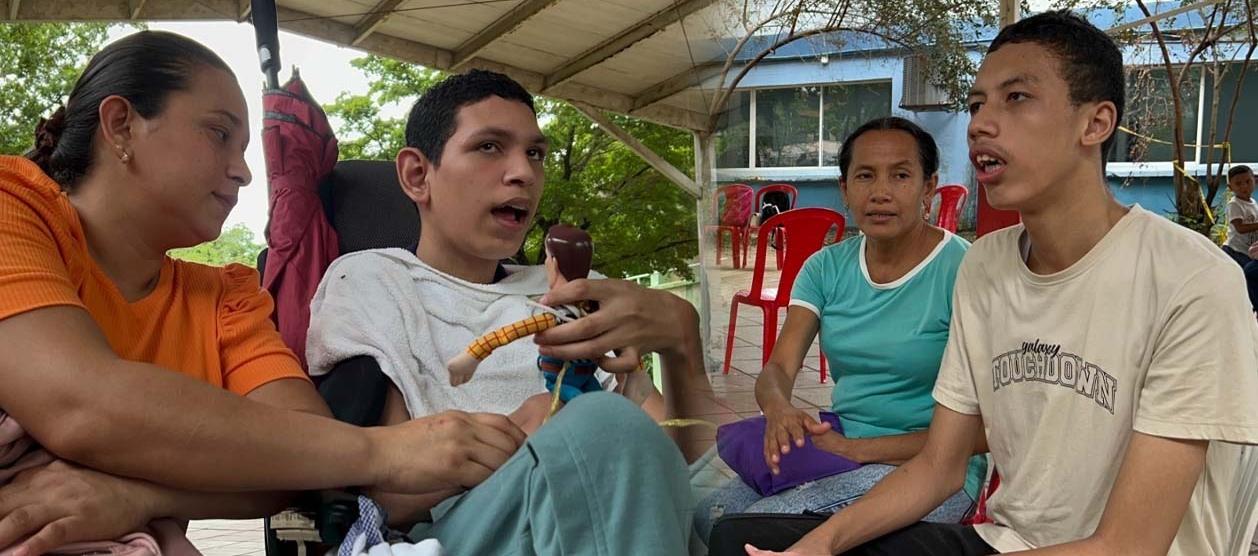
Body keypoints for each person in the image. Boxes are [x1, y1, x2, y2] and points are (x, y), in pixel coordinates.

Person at [0, 31, 694, 556]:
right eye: (218, 135)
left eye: (536, 154)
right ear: (121, 126)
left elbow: (302, 453)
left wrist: (682, 339)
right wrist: (387, 453)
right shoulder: (13, 207)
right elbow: (81, 403)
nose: (243, 173)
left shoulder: (226, 296)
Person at [722, 10, 1258, 556]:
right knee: (737, 537)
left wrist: (858, 458)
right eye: (977, 104)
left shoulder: (1191, 279)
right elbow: (939, 467)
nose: (980, 124)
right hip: (1004, 541)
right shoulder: (987, 264)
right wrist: (817, 549)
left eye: (1016, 98)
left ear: (1094, 124)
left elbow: (1129, 545)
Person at [304, 69, 717, 541]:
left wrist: (682, 346)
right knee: (598, 418)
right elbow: (384, 494)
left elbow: (689, 465)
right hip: (455, 532)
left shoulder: (571, 292)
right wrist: (543, 433)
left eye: (535, 153)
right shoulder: (374, 279)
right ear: (418, 175)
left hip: (620, 522)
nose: (524, 172)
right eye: (489, 146)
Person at [693, 117, 985, 543]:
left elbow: (987, 431)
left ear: (928, 187)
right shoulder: (826, 267)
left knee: (747, 533)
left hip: (935, 466)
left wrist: (859, 450)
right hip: (839, 445)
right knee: (709, 515)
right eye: (865, 175)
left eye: (901, 175)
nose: (881, 192)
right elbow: (778, 368)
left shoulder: (965, 269)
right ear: (845, 189)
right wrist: (778, 409)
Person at [1221, 164, 1258, 312]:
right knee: (1248, 276)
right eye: (1238, 184)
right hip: (1236, 250)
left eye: (1248, 182)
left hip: (1249, 250)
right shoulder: (1234, 205)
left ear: (1254, 181)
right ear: (1231, 188)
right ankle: (1250, 307)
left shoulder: (1253, 203)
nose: (1244, 187)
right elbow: (1240, 228)